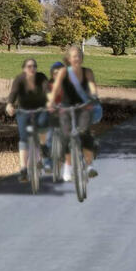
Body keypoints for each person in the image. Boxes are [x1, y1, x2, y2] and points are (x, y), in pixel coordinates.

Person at [47, 45, 102, 180]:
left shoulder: (87, 72)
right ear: (68, 59)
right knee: (65, 135)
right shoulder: (64, 72)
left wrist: (94, 97)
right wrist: (51, 102)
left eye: (78, 56)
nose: (76, 59)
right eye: (73, 56)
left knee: (84, 132)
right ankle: (67, 167)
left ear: (81, 58)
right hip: (66, 107)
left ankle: (89, 166)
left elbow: (91, 87)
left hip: (83, 107)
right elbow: (56, 89)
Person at [4, 58, 50, 183]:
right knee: (24, 140)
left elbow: (47, 90)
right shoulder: (20, 79)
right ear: (24, 68)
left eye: (34, 66)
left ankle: (44, 149)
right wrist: (9, 105)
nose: (32, 68)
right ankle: (24, 169)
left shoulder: (41, 77)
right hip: (23, 112)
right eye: (29, 66)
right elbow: (13, 93)